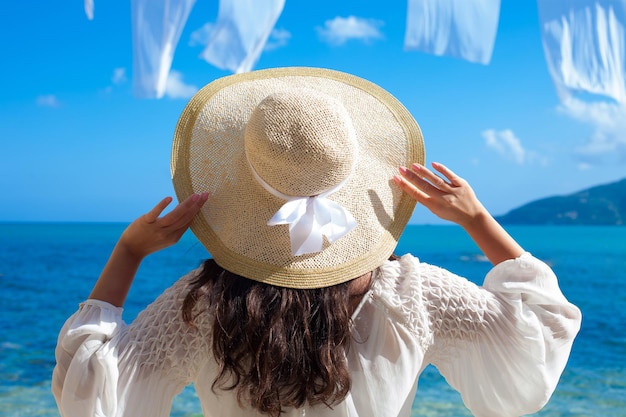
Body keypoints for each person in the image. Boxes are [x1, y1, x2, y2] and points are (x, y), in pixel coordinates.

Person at [52, 67, 581, 417]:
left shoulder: (205, 305)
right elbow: (536, 343)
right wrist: (478, 221)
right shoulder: (413, 296)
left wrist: (129, 252)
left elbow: (91, 392)